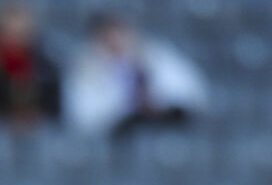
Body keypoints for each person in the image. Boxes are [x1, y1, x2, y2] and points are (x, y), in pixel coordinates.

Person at [62, 12, 208, 138]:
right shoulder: (86, 67)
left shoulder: (156, 55)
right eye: (108, 34)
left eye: (120, 32)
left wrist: (158, 104)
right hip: (119, 134)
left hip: (163, 124)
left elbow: (192, 94)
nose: (116, 39)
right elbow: (84, 116)